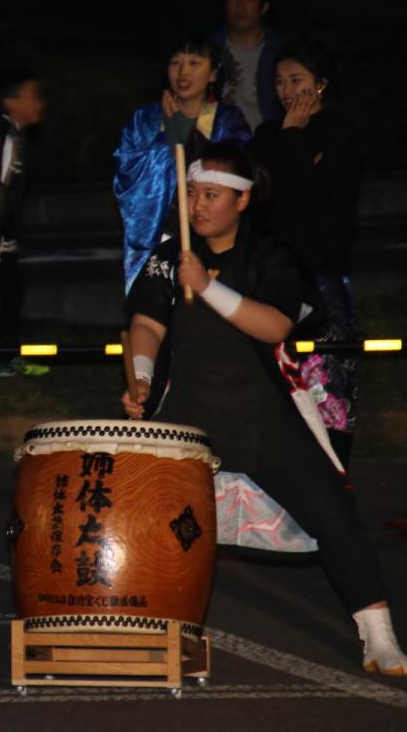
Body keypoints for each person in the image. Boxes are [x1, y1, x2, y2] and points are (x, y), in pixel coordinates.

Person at [121, 143, 405, 677]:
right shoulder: (167, 256)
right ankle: (141, 627)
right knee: (144, 524)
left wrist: (206, 286)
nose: (197, 206)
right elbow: (146, 323)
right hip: (185, 417)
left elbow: (276, 326)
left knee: (335, 515)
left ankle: (380, 637)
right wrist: (139, 378)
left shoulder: (269, 253)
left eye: (211, 195)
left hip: (261, 414)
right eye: (191, 194)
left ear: (242, 201)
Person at [250, 38, 360, 465]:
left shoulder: (340, 130)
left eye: (296, 80)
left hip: (322, 273)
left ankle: (333, 472)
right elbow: (263, 194)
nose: (285, 90)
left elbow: (310, 190)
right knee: (274, 377)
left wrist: (294, 137)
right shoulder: (266, 135)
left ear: (321, 85)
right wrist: (290, 142)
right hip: (274, 273)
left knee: (327, 382)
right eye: (279, 81)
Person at [114, 34, 251, 292]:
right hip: (160, 233)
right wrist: (168, 138)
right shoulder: (143, 121)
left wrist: (184, 133)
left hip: (212, 240)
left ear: (213, 74)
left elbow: (234, 171)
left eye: (194, 62)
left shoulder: (228, 122)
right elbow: (128, 178)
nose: (183, 71)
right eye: (176, 62)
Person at [0, 66, 49, 378]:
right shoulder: (6, 138)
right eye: (32, 97)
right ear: (10, 102)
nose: (39, 104)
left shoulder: (12, 135)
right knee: (0, 294)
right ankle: (6, 361)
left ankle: (4, 358)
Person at [214, 0, 285, 132]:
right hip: (222, 144)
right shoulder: (210, 50)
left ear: (264, 6)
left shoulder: (281, 51)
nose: (240, 6)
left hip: (270, 143)